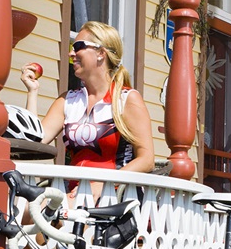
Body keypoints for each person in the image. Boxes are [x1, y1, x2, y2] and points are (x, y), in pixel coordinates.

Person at [20, 21, 155, 201]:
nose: (71, 53)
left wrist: (105, 183)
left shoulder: (126, 99)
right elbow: (35, 140)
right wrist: (32, 91)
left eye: (78, 46)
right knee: (24, 211)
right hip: (71, 194)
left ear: (101, 53)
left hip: (113, 196)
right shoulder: (68, 100)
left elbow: (147, 159)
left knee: (43, 214)